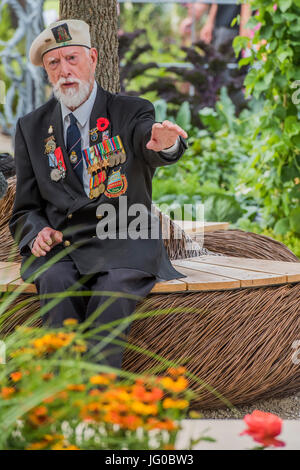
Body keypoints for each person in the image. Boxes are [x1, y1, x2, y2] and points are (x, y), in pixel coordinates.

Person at [9, 19, 188, 370]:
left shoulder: (131, 111)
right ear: (47, 72)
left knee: (113, 289)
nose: (65, 71)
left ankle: (96, 397)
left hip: (123, 237)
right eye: (54, 63)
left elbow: (149, 142)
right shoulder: (31, 127)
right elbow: (25, 209)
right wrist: (36, 232)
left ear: (93, 58)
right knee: (55, 280)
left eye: (72, 59)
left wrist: (165, 145)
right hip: (65, 246)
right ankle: (65, 392)